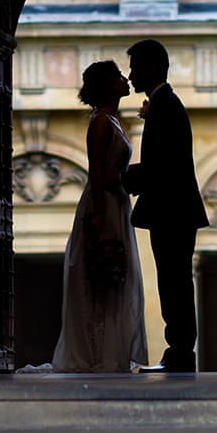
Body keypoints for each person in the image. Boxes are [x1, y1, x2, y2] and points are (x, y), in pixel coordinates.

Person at [32, 59, 147, 373]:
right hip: (104, 203)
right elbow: (97, 173)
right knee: (101, 276)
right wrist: (100, 217)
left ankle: (109, 350)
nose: (126, 79)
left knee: (113, 277)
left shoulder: (112, 119)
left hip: (115, 202)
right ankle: (98, 353)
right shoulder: (100, 123)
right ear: (108, 85)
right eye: (119, 76)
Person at [124, 37, 208, 373]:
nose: (130, 75)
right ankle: (179, 352)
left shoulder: (167, 107)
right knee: (173, 281)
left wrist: (119, 178)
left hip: (172, 213)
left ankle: (180, 352)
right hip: (174, 212)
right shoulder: (162, 105)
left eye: (135, 68)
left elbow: (163, 167)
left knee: (174, 282)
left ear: (152, 67)